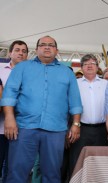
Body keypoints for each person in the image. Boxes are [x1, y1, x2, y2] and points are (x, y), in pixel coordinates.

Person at [0, 36, 82, 183]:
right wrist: (9, 118)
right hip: (24, 128)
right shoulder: (22, 68)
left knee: (52, 175)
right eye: (43, 45)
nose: (47, 47)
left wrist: (76, 124)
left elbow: (75, 101)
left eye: (51, 45)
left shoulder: (67, 72)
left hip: (55, 130)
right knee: (16, 173)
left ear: (56, 50)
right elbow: (9, 93)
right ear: (36, 49)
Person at [69, 54, 108, 177]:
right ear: (81, 68)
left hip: (103, 129)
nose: (89, 66)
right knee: (77, 161)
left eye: (93, 63)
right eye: (86, 64)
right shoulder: (75, 84)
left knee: (100, 163)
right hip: (80, 129)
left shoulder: (106, 84)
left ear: (97, 67)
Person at [0, 40, 28, 183]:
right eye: (17, 50)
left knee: (13, 168)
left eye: (24, 51)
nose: (20, 53)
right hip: (0, 128)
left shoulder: (31, 73)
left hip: (21, 128)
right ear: (10, 53)